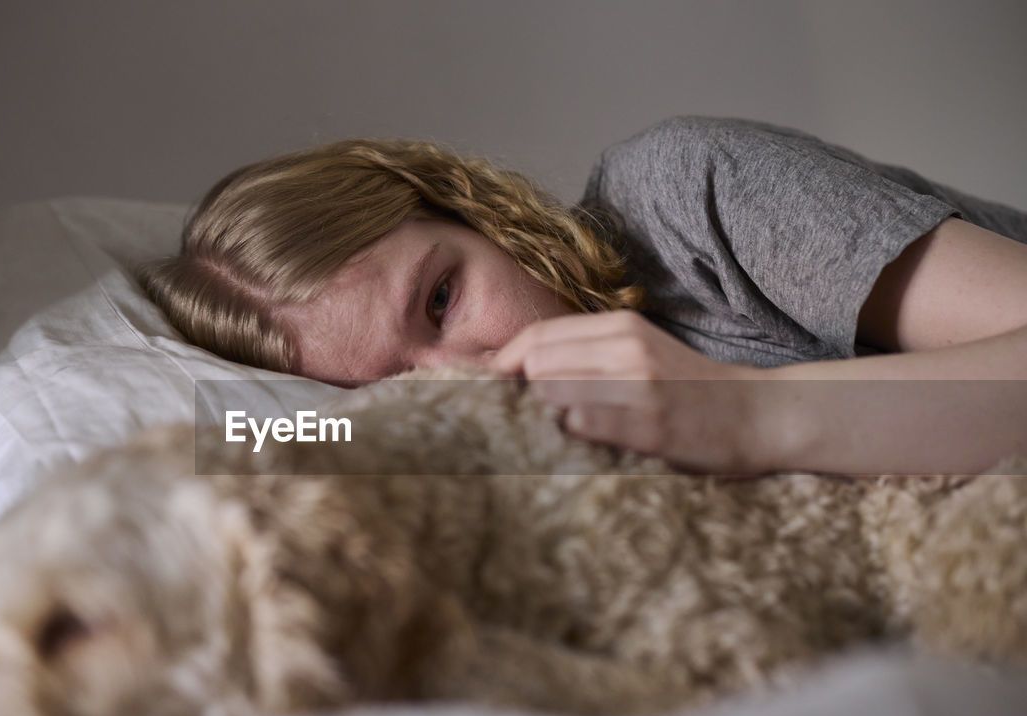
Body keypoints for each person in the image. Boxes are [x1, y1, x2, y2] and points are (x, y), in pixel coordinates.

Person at [138, 117, 1027, 476]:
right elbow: (243, 432)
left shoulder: (683, 200)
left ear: (467, 207)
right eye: (396, 387)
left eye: (441, 299)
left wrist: (745, 416)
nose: (475, 376)